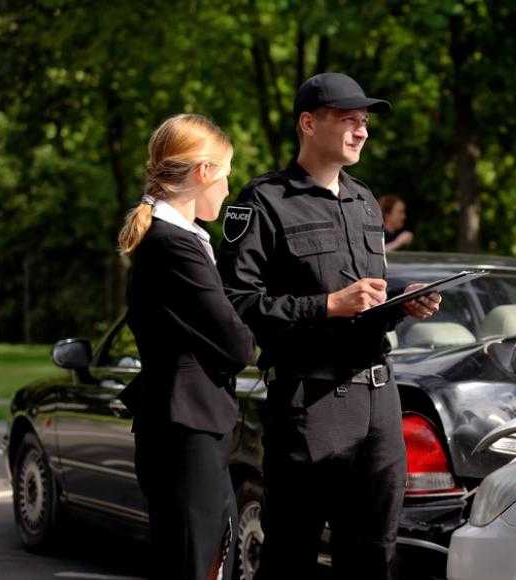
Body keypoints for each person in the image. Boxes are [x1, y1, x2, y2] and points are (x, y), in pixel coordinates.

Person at [218, 72, 440, 579]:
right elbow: (237, 301)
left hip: (379, 403)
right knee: (291, 553)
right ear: (308, 123)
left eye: (364, 122)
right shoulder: (263, 203)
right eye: (348, 120)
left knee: (374, 552)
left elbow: (366, 298)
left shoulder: (364, 201)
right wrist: (324, 306)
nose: (361, 131)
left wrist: (402, 302)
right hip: (310, 405)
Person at [118, 114, 255, 580]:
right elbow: (237, 345)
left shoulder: (176, 240)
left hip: (186, 425)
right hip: (185, 429)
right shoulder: (172, 244)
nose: (229, 184)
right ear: (203, 173)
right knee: (198, 564)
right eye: (227, 171)